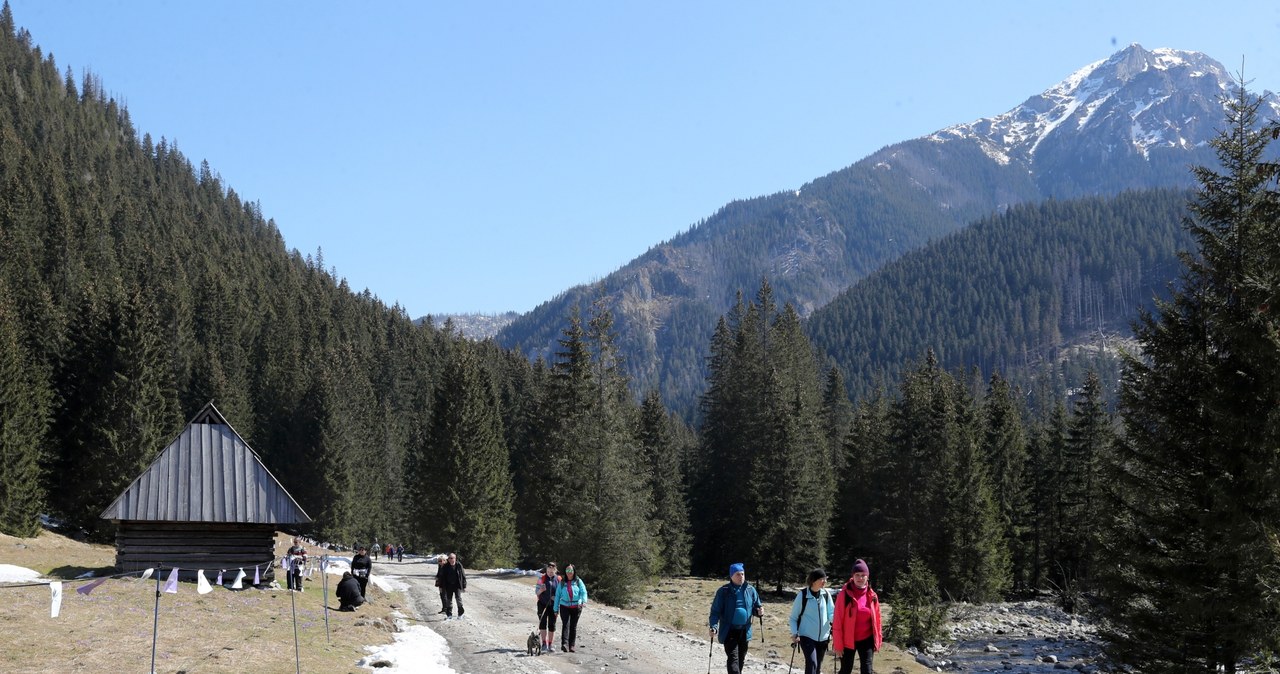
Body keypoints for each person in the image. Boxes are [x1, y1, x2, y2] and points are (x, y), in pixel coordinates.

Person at [709, 562, 763, 674]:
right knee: (733, 659)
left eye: (742, 574)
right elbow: (715, 612)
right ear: (731, 576)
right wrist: (713, 627)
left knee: (741, 660)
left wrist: (759, 612)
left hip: (745, 630)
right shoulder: (724, 591)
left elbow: (757, 607)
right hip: (729, 630)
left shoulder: (750, 590)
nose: (741, 577)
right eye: (738, 574)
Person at [832, 559, 882, 674]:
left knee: (867, 670)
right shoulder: (844, 595)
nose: (860, 578)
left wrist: (877, 640)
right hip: (847, 639)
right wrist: (838, 644)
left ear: (867, 577)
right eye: (857, 575)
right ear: (852, 576)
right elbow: (837, 621)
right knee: (846, 669)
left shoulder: (872, 595)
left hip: (867, 639)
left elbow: (877, 620)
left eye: (863, 575)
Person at [789, 568, 835, 674]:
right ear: (814, 580)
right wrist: (795, 633)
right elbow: (793, 618)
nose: (825, 582)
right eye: (822, 579)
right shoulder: (803, 595)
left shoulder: (826, 594)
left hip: (823, 637)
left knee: (817, 667)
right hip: (806, 636)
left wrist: (836, 623)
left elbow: (831, 613)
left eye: (825, 579)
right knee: (812, 663)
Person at [554, 564, 588, 652]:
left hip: (576, 606)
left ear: (574, 571)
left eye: (571, 571)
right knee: (565, 624)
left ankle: (572, 645)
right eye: (567, 571)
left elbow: (583, 592)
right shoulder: (562, 582)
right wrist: (555, 609)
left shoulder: (578, 581)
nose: (569, 573)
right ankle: (564, 644)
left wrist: (583, 601)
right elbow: (557, 596)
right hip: (564, 606)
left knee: (573, 626)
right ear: (565, 572)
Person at [535, 561, 561, 652]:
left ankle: (550, 644)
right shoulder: (541, 578)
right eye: (548, 571)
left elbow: (562, 594)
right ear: (546, 570)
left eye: (551, 572)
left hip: (554, 605)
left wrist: (556, 597)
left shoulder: (559, 579)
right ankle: (544, 644)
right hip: (542, 604)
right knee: (542, 624)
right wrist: (541, 590)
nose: (550, 573)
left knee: (552, 625)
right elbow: (536, 592)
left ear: (555, 571)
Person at [435, 551, 467, 619]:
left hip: (457, 585)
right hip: (448, 586)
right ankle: (449, 615)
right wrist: (441, 586)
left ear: (455, 558)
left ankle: (460, 614)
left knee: (458, 599)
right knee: (449, 600)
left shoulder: (459, 565)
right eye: (449, 558)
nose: (450, 559)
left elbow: (463, 576)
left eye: (451, 558)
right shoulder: (446, 566)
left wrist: (464, 586)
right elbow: (442, 577)